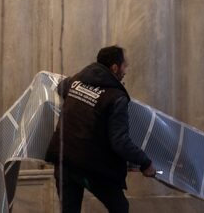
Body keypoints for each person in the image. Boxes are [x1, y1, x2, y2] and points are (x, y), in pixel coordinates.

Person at [45, 46, 157, 213]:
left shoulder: (76, 81)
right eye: (124, 66)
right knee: (120, 207)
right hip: (91, 166)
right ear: (114, 67)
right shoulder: (116, 98)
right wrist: (145, 163)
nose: (126, 70)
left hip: (64, 159)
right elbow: (120, 142)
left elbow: (61, 87)